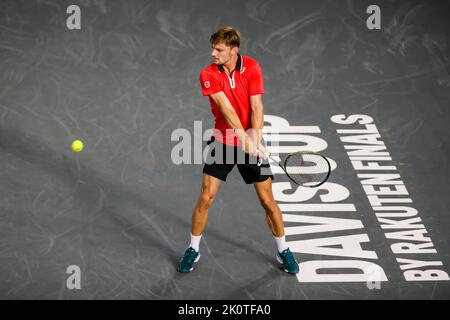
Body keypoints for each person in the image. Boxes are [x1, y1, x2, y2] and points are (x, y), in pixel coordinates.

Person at [177, 26, 299, 275]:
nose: (213, 53)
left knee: (267, 200)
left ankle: (283, 249)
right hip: (223, 142)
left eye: (219, 49)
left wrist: (255, 137)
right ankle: (193, 248)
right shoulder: (208, 74)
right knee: (205, 197)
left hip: (250, 141)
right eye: (212, 48)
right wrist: (244, 138)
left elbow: (257, 105)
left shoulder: (252, 67)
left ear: (234, 50)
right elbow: (225, 108)